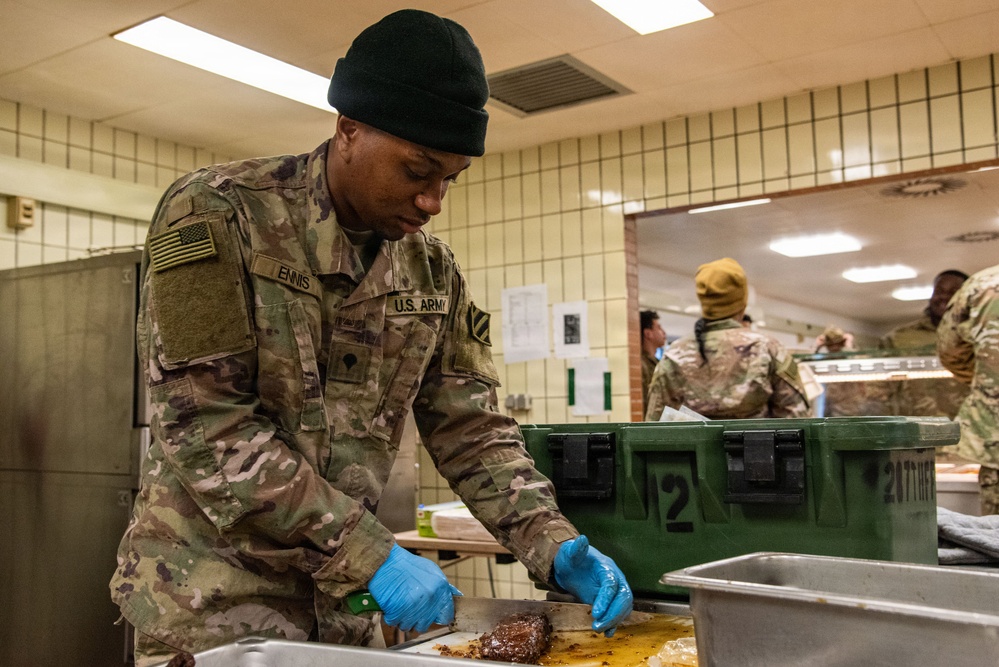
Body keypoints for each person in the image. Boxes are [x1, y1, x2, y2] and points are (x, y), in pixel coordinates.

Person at [109, 10, 632, 664]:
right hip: (211, 607)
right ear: (349, 129)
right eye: (417, 171)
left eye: (449, 179)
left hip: (344, 613)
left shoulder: (432, 271)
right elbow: (204, 424)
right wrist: (371, 552)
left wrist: (550, 541)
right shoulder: (219, 213)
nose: (433, 201)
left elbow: (471, 429)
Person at [644, 258, 809, 421]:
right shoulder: (767, 348)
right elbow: (797, 420)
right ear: (742, 303)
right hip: (757, 440)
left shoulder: (675, 354)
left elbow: (655, 425)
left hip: (693, 440)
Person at [937, 265, 999, 515]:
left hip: (995, 438)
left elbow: (950, 351)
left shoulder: (983, 283)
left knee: (995, 533)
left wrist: (988, 382)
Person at [880, 269, 970, 418]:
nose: (944, 297)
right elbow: (879, 390)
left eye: (953, 292)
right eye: (939, 291)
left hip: (965, 426)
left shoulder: (976, 336)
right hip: (912, 427)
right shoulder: (898, 338)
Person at [640, 309, 667, 416]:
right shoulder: (641, 365)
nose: (664, 332)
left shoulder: (656, 363)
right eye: (659, 328)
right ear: (648, 333)